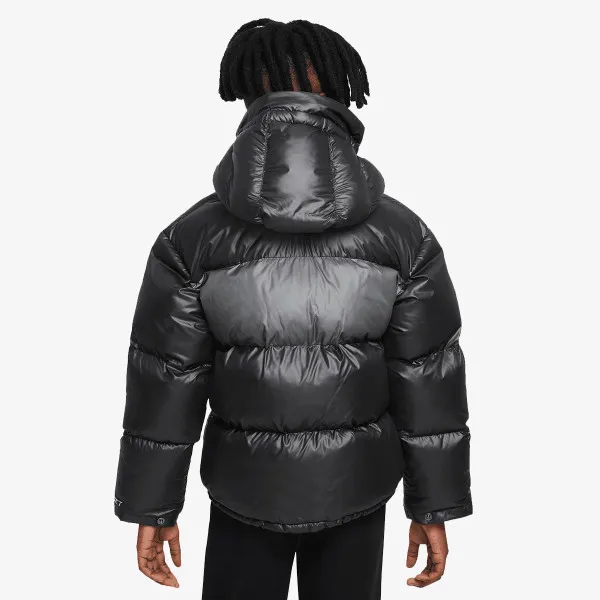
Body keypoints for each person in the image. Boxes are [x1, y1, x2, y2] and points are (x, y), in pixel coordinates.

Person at [114, 18, 472, 599]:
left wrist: (151, 505)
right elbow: (427, 378)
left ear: (248, 97)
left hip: (243, 492)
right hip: (357, 490)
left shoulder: (190, 240)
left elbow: (167, 380)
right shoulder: (404, 237)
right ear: (340, 95)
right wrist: (435, 503)